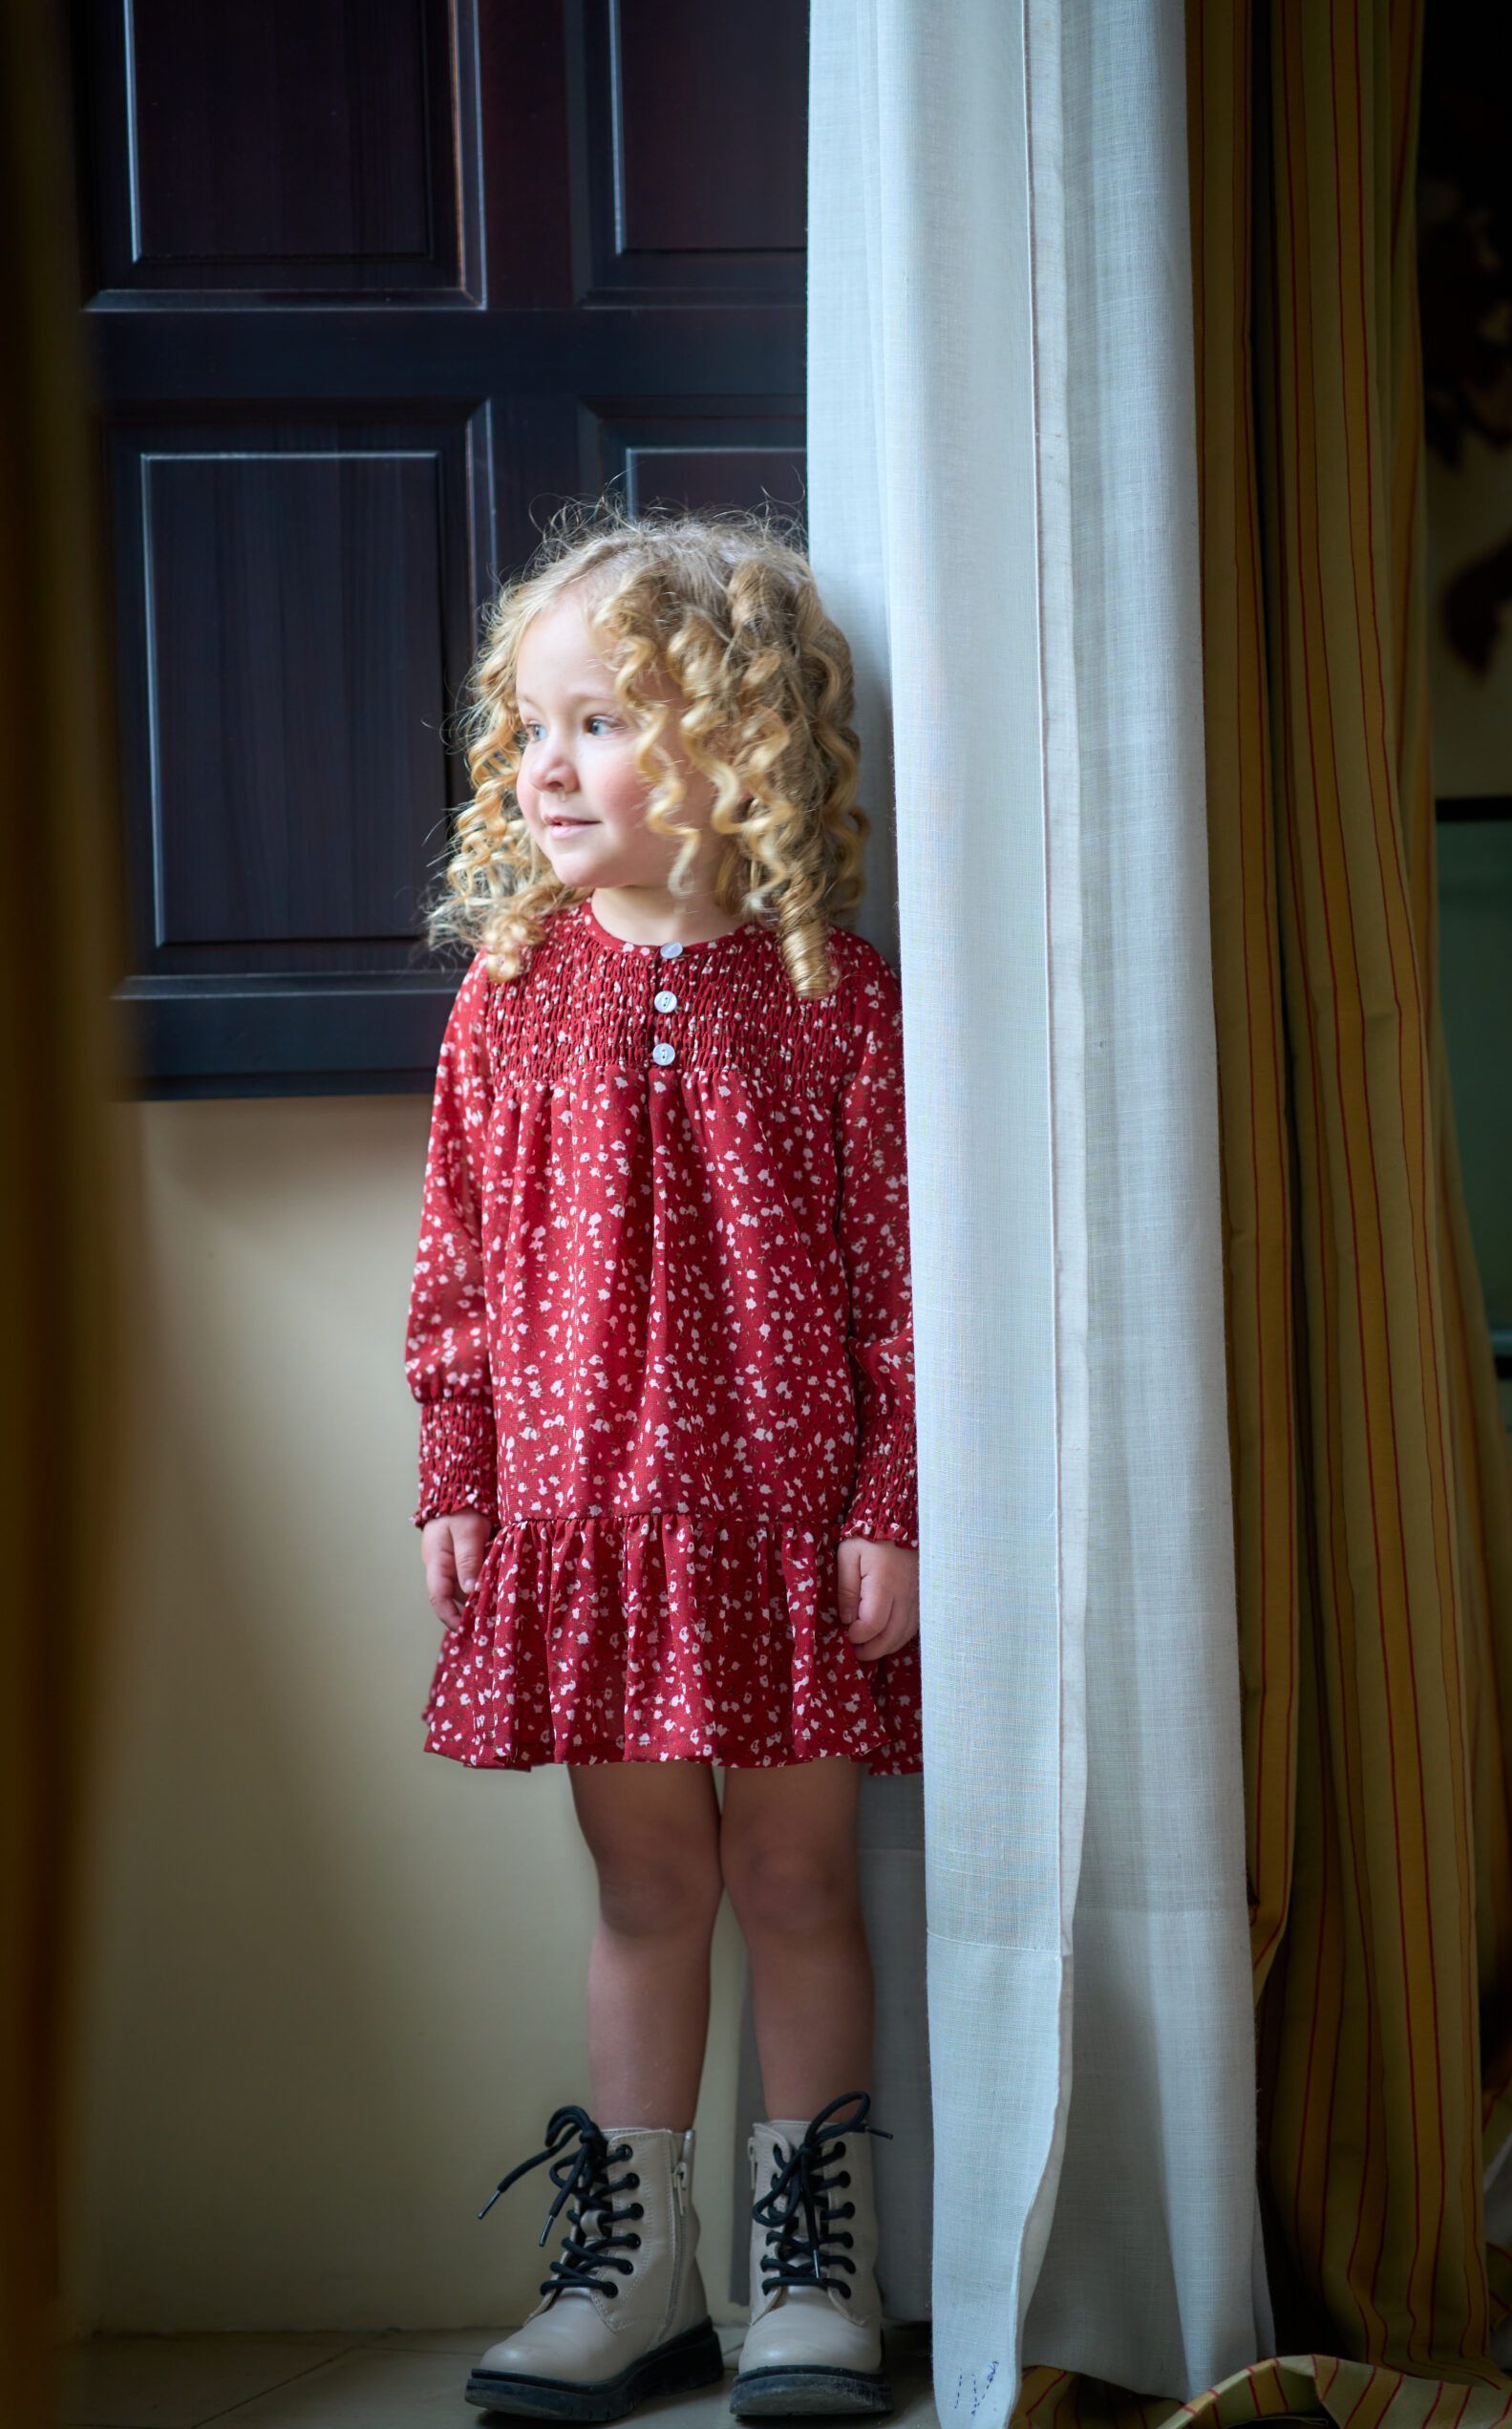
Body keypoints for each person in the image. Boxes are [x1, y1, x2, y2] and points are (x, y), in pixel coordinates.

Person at [403, 500, 921, 2424]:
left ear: (739, 744)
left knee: (796, 1875)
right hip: (586, 1523)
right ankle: (635, 2268)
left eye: (605, 719)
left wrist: (891, 1499)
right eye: (529, 725)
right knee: (641, 1884)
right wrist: (457, 1466)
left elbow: (894, 1284)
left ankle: (816, 2261)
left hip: (786, 1527)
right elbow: (449, 1270)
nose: (549, 762)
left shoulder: (834, 1000)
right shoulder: (506, 1002)